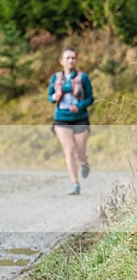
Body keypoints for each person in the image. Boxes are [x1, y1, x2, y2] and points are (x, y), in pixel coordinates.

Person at [48, 48, 94, 195]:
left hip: (80, 119)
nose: (70, 60)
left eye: (73, 58)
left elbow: (90, 98)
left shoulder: (83, 77)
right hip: (61, 119)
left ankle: (84, 163)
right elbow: (50, 97)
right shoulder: (55, 78)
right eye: (67, 58)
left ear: (76, 60)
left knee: (80, 152)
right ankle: (75, 184)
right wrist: (54, 97)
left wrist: (79, 106)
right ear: (61, 61)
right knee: (69, 151)